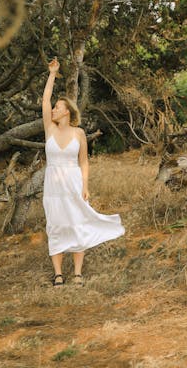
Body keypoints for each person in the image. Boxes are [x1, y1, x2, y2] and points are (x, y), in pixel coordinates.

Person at [42, 57, 125, 286]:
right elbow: (45, 99)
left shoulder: (79, 134)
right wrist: (52, 73)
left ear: (67, 111)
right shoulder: (49, 128)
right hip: (53, 186)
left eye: (58, 107)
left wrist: (85, 186)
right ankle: (58, 274)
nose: (54, 109)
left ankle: (77, 272)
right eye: (54, 107)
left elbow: (84, 162)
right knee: (56, 225)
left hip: (73, 183)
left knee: (77, 223)